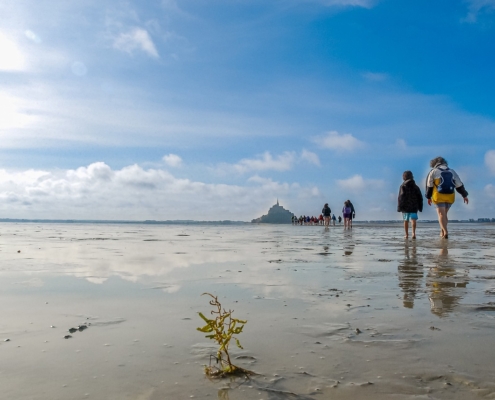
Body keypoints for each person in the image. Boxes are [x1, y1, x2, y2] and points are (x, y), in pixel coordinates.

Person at [426, 156, 469, 239]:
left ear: (434, 164)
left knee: (441, 214)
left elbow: (429, 186)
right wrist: (464, 195)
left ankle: (445, 232)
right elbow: (459, 185)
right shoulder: (452, 171)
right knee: (444, 214)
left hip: (438, 196)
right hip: (450, 196)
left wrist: (428, 197)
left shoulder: (433, 172)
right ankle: (442, 231)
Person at [397, 170, 423, 239]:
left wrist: (399, 207)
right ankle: (413, 233)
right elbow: (420, 197)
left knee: (406, 220)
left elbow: (400, 197)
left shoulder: (403, 186)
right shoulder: (416, 187)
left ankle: (406, 234)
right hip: (414, 206)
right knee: (413, 219)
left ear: (404, 177)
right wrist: (420, 207)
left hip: (405, 206)